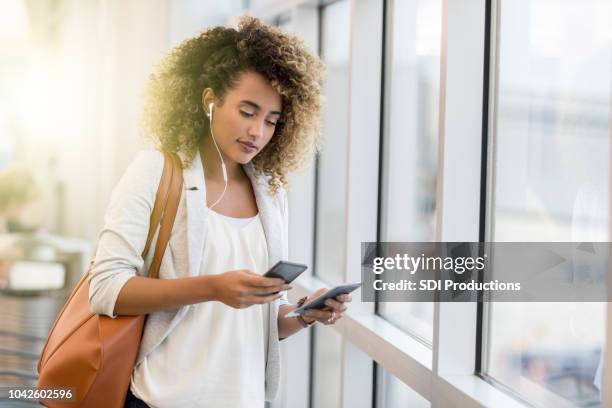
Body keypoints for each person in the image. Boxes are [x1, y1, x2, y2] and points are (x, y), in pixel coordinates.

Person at [87, 16, 352, 408]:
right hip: (161, 398)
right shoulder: (155, 171)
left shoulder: (271, 193)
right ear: (210, 101)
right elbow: (105, 288)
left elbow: (255, 322)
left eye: (271, 121)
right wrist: (213, 287)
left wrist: (304, 314)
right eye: (247, 111)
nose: (258, 132)